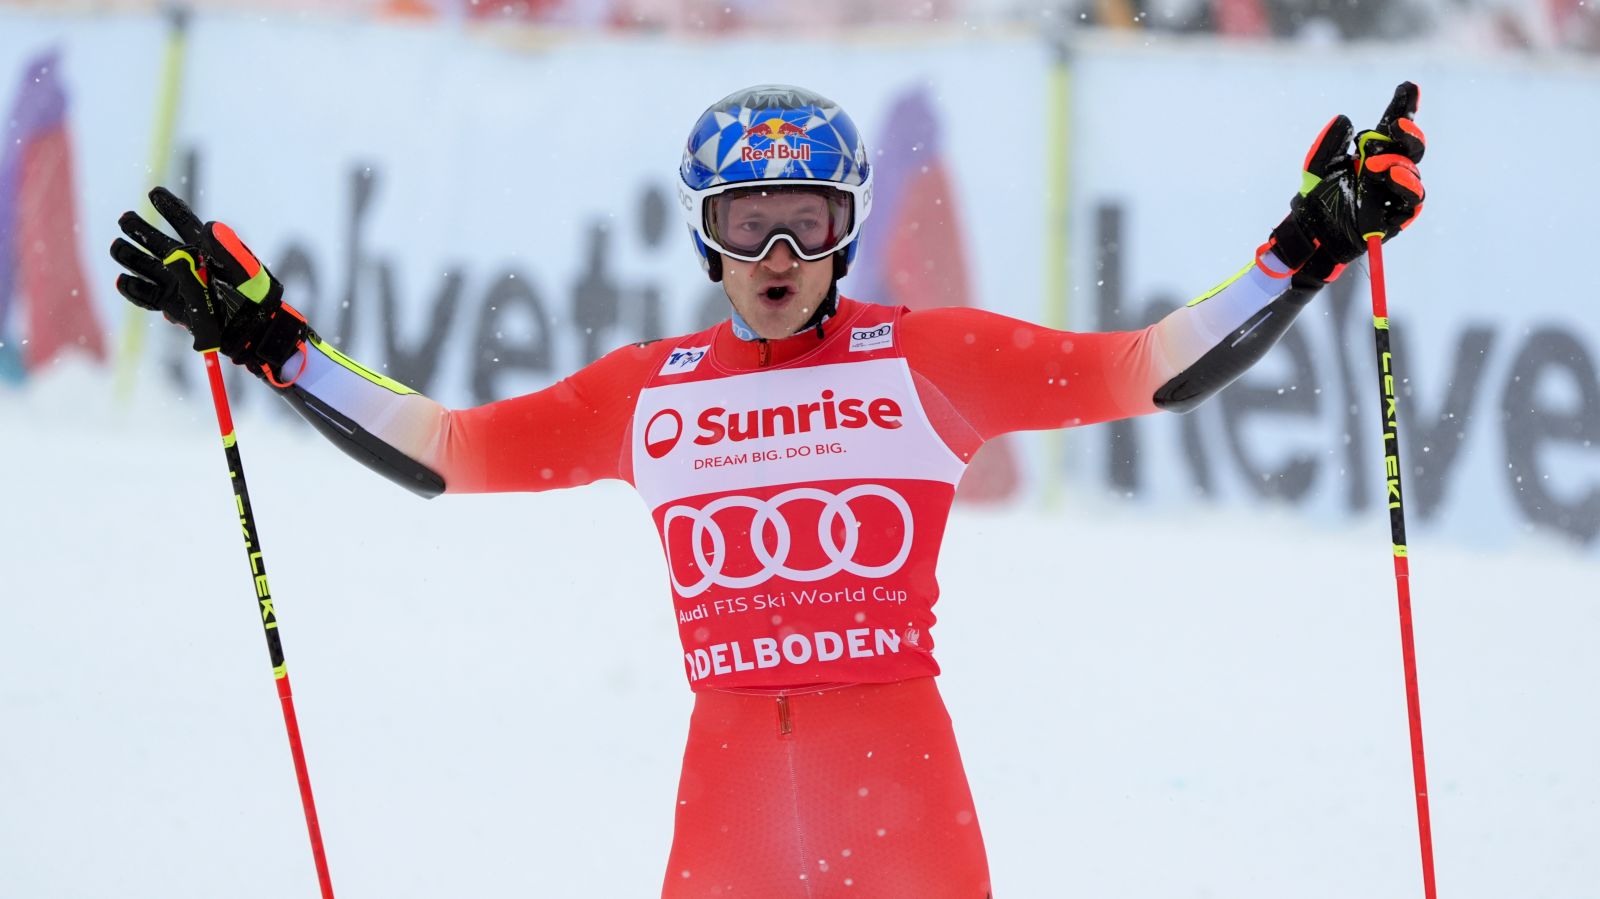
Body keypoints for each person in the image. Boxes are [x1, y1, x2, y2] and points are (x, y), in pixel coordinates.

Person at [111, 83, 1425, 898]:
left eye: (806, 215)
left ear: (850, 225)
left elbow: (1149, 371)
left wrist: (1300, 250)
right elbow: (449, 450)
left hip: (900, 793)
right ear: (703, 235)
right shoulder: (650, 391)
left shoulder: (934, 358)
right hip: (727, 803)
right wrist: (278, 349)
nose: (779, 250)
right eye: (747, 221)